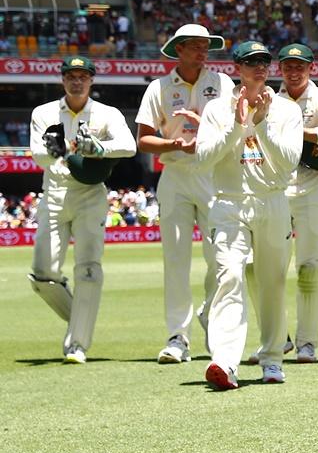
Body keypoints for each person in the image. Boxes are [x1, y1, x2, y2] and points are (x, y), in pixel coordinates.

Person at [195, 41, 303, 389]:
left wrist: (262, 124)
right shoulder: (216, 109)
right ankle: (224, 363)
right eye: (251, 62)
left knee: (272, 283)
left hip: (272, 201)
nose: (259, 67)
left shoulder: (286, 109)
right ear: (237, 68)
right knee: (229, 277)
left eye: (264, 61)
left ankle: (272, 358)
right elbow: (203, 158)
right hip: (229, 203)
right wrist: (237, 127)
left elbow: (289, 160)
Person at [134, 24, 233, 364]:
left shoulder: (222, 83)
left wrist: (204, 137)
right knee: (176, 260)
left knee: (219, 256)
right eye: (195, 46)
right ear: (178, 49)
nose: (202, 51)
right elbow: (144, 139)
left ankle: (211, 318)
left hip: (212, 174)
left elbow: (235, 128)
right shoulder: (158, 88)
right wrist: (173, 143)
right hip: (175, 174)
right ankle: (177, 337)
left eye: (206, 46)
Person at [28, 57, 136, 363]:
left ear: (91, 80)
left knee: (88, 268)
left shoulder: (107, 113)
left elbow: (129, 146)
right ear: (63, 80)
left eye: (83, 76)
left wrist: (99, 149)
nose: (77, 81)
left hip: (90, 194)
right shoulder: (44, 112)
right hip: (55, 193)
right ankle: (80, 315)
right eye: (71, 76)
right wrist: (54, 151)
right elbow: (37, 154)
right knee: (42, 273)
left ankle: (77, 344)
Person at [275, 43, 318, 363]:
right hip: (276, 190)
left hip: (314, 190)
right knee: (266, 269)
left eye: (299, 65)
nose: (293, 71)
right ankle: (277, 339)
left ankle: (307, 343)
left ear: (310, 67)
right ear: (280, 69)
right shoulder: (271, 100)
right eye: (288, 65)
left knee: (308, 266)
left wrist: (297, 131)